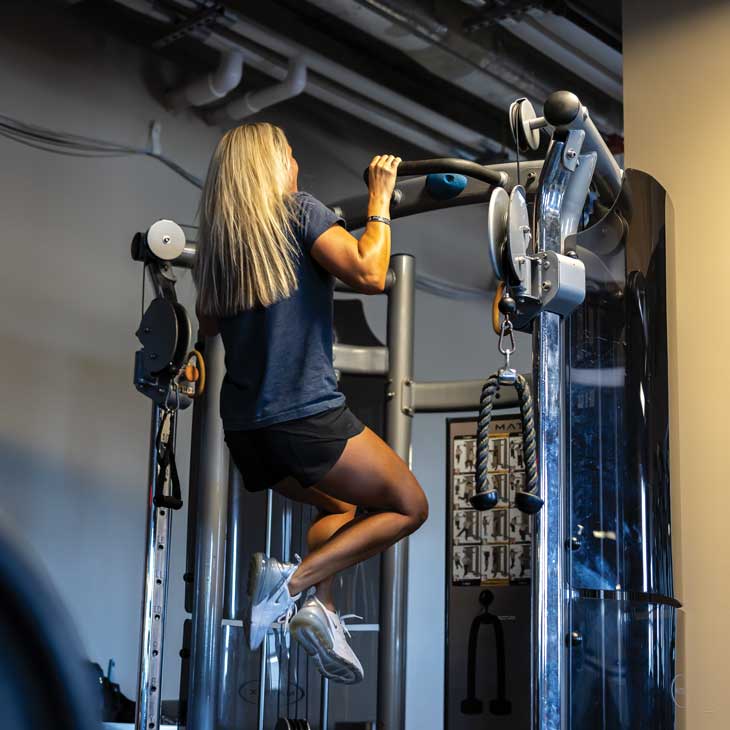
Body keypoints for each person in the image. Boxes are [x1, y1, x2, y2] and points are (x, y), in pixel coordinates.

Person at [192, 123, 428, 685]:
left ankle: (319, 606)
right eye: (291, 155)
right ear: (272, 168)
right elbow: (371, 272)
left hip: (248, 431)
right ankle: (293, 584)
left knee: (342, 509)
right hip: (305, 416)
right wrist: (378, 200)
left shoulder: (226, 245)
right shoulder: (298, 211)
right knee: (409, 506)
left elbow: (208, 324)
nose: (296, 165)